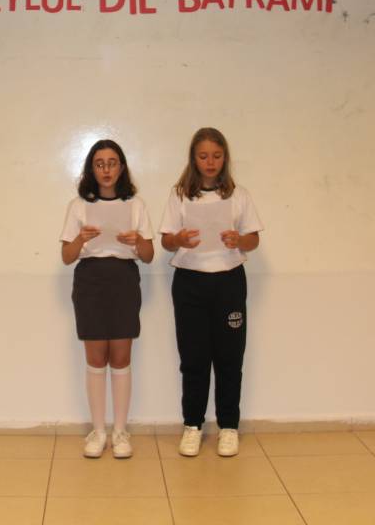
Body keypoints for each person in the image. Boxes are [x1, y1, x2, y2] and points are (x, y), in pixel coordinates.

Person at [160, 127, 263, 457]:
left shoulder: (238, 194)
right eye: (203, 156)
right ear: (193, 158)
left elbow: (253, 239)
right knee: (193, 358)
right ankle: (192, 426)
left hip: (229, 281)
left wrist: (238, 240)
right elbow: (166, 240)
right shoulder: (180, 194)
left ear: (225, 158)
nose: (210, 162)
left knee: (230, 357)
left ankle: (228, 427)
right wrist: (179, 240)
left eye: (216, 156)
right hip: (190, 282)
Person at [61, 139, 154, 458]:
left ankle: (120, 432)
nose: (106, 170)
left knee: (121, 357)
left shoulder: (136, 204)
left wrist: (137, 240)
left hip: (124, 279)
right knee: (96, 357)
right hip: (90, 280)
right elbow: (66, 256)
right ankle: (98, 431)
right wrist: (80, 238)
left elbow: (149, 255)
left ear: (122, 167)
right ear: (91, 168)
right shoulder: (78, 205)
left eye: (112, 163)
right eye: (99, 164)